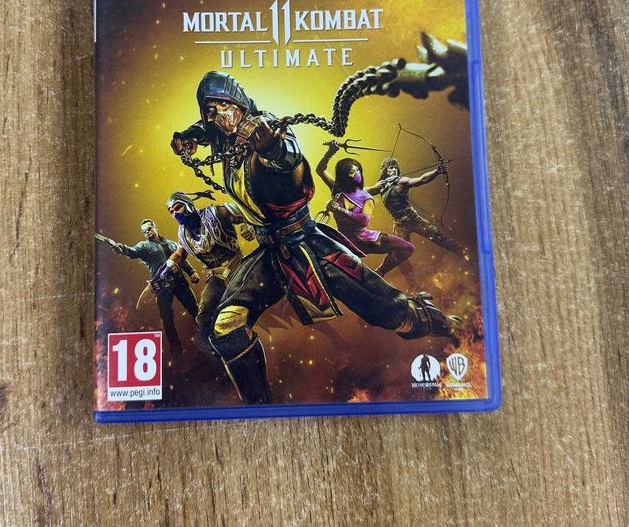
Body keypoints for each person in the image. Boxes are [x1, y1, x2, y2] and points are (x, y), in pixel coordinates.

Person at [171, 71, 460, 404]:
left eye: (221, 108)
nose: (217, 118)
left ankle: (444, 324)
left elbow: (293, 164)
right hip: (269, 253)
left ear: (237, 103)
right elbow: (206, 130)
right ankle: (260, 410)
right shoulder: (224, 137)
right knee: (226, 328)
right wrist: (187, 137)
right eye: (209, 112)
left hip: (308, 246)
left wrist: (272, 149)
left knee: (390, 311)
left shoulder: (269, 130)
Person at [159, 191, 254, 351]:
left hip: (238, 267)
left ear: (188, 204)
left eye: (178, 207)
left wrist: (248, 226)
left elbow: (245, 210)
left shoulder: (216, 213)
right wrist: (164, 271)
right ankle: (222, 351)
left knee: (237, 311)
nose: (175, 213)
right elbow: (179, 254)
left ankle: (244, 343)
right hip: (216, 276)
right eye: (171, 211)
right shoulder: (183, 235)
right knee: (204, 318)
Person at [315, 140, 415, 277]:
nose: (357, 174)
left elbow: (364, 220)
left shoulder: (365, 195)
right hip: (343, 240)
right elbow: (320, 170)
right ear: (344, 176)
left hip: (364, 239)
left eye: (358, 170)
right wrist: (330, 152)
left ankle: (379, 272)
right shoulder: (337, 189)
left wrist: (339, 210)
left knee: (407, 247)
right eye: (352, 172)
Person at [113, 219, 200, 360]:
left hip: (180, 281)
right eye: (144, 231)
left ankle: (207, 333)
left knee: (194, 308)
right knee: (167, 318)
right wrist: (122, 249)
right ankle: (176, 350)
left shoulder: (171, 243)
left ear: (155, 227)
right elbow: (132, 252)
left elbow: (181, 258)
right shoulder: (144, 246)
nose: (147, 232)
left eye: (149, 229)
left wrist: (192, 272)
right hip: (161, 285)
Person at [368, 158, 465, 260]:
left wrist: (437, 171)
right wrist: (374, 187)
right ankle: (383, 269)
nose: (395, 170)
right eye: (391, 168)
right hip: (399, 225)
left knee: (438, 237)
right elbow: (364, 192)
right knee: (399, 251)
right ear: (385, 170)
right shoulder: (381, 186)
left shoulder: (401, 181)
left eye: (396, 168)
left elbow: (422, 179)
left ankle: (463, 252)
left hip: (412, 219)